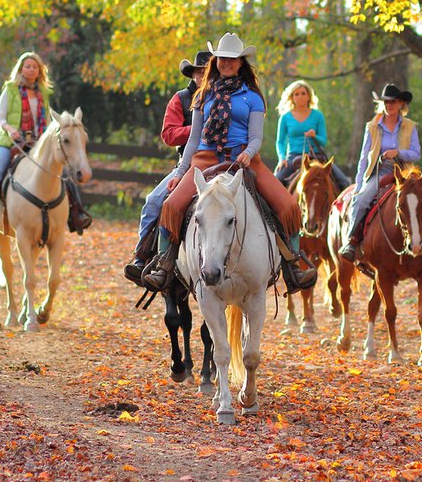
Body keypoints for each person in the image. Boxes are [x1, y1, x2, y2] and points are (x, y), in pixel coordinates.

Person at [142, 33, 317, 294]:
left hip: (242, 158)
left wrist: (248, 152)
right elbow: (193, 139)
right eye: (223, 58)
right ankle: (164, 264)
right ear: (217, 60)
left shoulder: (253, 97)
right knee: (170, 205)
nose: (227, 62)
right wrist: (181, 171)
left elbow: (257, 136)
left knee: (289, 205)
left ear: (241, 63)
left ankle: (293, 265)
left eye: (233, 59)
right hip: (205, 158)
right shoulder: (203, 96)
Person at [0, 51, 91, 238]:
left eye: (34, 66)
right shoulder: (10, 90)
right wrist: (10, 129)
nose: (31, 69)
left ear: (39, 71)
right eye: (27, 66)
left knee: (64, 174)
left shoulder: (43, 93)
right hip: (10, 142)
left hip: (37, 142)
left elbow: (45, 118)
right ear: (21, 69)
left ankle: (77, 213)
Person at [337, 83, 422, 263]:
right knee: (360, 200)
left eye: (393, 102)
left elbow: (416, 154)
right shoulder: (372, 127)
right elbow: (363, 158)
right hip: (379, 173)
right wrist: (359, 184)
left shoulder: (410, 126)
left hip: (407, 175)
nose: (389, 105)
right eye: (386, 102)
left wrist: (398, 153)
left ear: (401, 104)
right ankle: (352, 241)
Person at [123, 50, 209, 285]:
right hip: (187, 164)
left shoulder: (224, 98)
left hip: (222, 162)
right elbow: (168, 134)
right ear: (192, 74)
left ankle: (282, 256)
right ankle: (142, 257)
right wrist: (196, 129)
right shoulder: (180, 99)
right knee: (153, 200)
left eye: (207, 71)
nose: (203, 76)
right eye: (199, 72)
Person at [274, 80, 351, 190]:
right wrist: (282, 158)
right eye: (296, 94)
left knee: (343, 182)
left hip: (316, 156)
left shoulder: (318, 115)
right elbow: (280, 142)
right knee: (275, 182)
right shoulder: (285, 117)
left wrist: (315, 136)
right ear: (292, 97)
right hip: (293, 158)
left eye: (303, 93)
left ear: (308, 96)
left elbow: (323, 141)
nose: (300, 96)